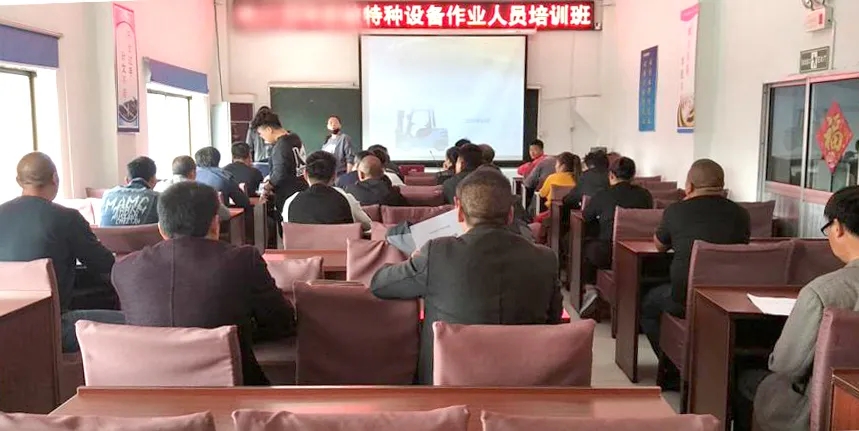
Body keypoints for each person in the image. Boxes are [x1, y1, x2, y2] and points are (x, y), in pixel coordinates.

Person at [371, 168, 563, 384]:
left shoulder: (437, 252)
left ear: (459, 210)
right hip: (525, 385)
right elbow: (554, 323)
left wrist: (415, 260)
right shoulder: (545, 258)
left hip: (447, 387)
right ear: (510, 214)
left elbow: (379, 284)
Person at [111, 181, 294, 386]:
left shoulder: (124, 269)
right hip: (235, 391)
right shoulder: (243, 259)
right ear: (215, 224)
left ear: (161, 229)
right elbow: (281, 321)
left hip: (148, 391)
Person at [731, 186, 859, 431]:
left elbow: (786, 366)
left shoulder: (822, 292)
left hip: (820, 408)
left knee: (747, 377)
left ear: (838, 228)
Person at [642, 159, 750, 390]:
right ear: (721, 185)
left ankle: (673, 370)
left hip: (685, 299)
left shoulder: (676, 210)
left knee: (649, 304)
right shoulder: (741, 214)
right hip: (728, 300)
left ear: (689, 186)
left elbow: (659, 246)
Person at [0, 153, 122, 353]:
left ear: (18, 181)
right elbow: (105, 265)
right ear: (55, 179)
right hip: (54, 327)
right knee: (136, 322)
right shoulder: (66, 218)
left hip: (8, 328)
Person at [579, 157, 654, 316]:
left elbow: (586, 216)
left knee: (586, 246)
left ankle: (590, 289)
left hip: (609, 254)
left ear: (611, 175)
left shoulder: (603, 194)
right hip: (640, 256)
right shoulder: (645, 195)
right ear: (633, 176)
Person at [254, 111, 307, 216]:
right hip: (302, 189)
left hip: (287, 196)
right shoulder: (294, 138)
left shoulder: (280, 146)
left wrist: (267, 187)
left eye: (261, 134)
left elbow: (279, 174)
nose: (262, 138)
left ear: (269, 130)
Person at [282, 151, 355, 225]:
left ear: (305, 174)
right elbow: (361, 224)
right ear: (334, 176)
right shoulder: (346, 199)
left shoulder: (290, 202)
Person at [154, 156, 231, 221]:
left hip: (167, 231)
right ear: (193, 173)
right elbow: (226, 215)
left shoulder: (159, 187)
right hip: (196, 232)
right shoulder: (204, 190)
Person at [100, 156, 160, 226]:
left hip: (106, 234)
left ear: (127, 180)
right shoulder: (158, 199)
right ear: (153, 180)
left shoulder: (107, 196)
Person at [532, 152, 580, 226]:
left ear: (562, 166)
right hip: (573, 214)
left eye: (556, 164)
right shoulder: (578, 179)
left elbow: (542, 194)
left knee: (537, 218)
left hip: (554, 214)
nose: (555, 166)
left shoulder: (552, 178)